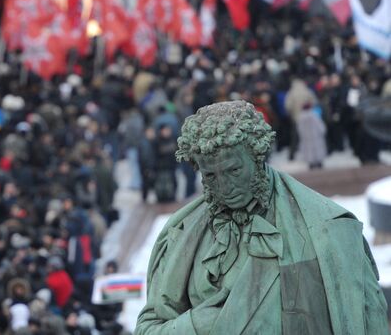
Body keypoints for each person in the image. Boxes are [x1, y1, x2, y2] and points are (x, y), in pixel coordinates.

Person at [135, 101, 388, 335]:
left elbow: (367, 321)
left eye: (234, 170)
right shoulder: (180, 233)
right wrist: (200, 324)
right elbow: (148, 328)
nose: (224, 187)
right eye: (210, 176)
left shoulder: (328, 229)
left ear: (257, 158)